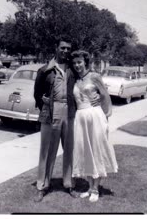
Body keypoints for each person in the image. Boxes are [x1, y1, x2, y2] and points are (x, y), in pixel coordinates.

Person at [32, 39, 80, 202]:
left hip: (69, 112)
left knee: (69, 149)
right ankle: (42, 186)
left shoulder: (73, 69)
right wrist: (45, 104)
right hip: (50, 113)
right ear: (56, 48)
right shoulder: (45, 70)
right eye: (62, 48)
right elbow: (37, 94)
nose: (65, 51)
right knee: (47, 151)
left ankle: (69, 184)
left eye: (68, 48)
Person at [70, 50, 118, 202]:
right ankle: (89, 187)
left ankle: (96, 189)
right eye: (75, 63)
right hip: (81, 117)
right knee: (85, 152)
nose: (77, 65)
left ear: (85, 62)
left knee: (96, 150)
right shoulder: (76, 80)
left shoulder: (94, 76)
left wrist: (104, 112)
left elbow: (105, 94)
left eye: (79, 62)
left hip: (95, 116)